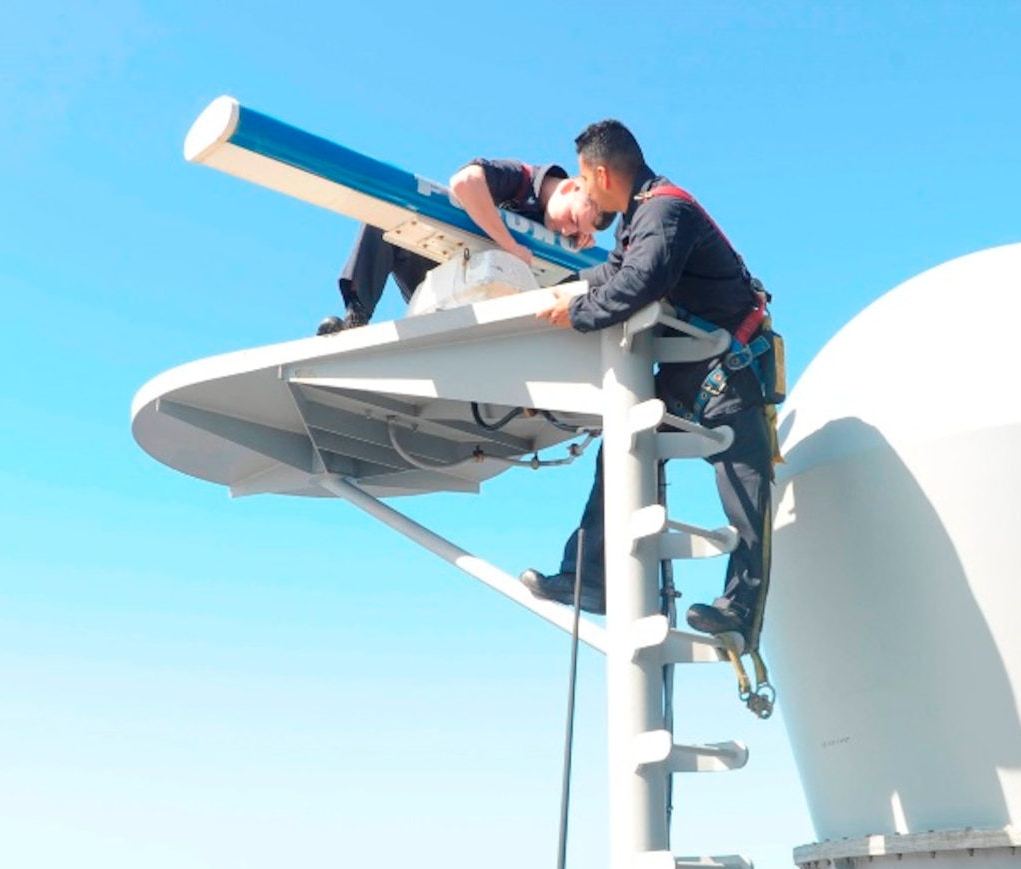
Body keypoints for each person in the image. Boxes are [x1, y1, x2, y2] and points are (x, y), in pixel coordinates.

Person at [525, 119, 777, 648]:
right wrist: (556, 290)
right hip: (689, 375)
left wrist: (578, 313)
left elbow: (642, 281)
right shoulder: (639, 219)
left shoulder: (666, 211)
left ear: (599, 173)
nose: (585, 193)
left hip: (728, 374)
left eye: (583, 181)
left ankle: (739, 613)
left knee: (746, 497)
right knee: (622, 450)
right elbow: (614, 270)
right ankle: (591, 579)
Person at [317, 159, 605, 335]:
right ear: (570, 188)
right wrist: (510, 244)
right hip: (447, 272)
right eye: (573, 220)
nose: (568, 230)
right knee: (385, 215)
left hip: (502, 308)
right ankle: (357, 317)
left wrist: (575, 249)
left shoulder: (560, 236)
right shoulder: (520, 179)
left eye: (578, 232)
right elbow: (465, 182)